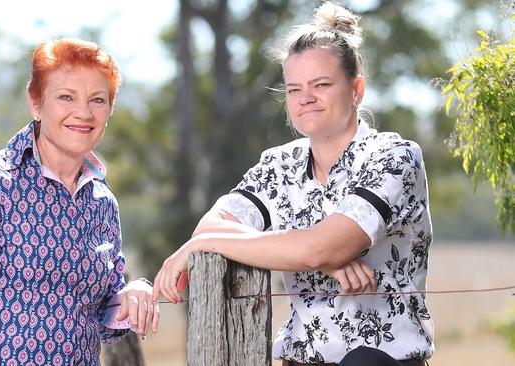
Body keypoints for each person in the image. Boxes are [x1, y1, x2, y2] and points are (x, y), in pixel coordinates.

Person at [153, 2, 433, 366]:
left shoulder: (394, 157)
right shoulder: (279, 164)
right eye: (294, 89)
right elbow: (212, 225)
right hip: (299, 359)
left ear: (356, 89)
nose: (305, 99)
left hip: (378, 361)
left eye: (321, 84)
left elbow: (319, 249)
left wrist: (315, 253)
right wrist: (318, 257)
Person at [0, 38, 159, 366]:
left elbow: (105, 318)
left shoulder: (103, 202)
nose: (84, 112)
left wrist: (133, 293)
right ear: (35, 103)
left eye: (98, 99)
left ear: (109, 110)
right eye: (66, 97)